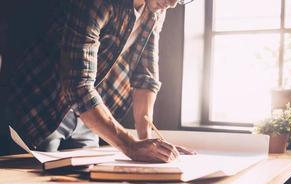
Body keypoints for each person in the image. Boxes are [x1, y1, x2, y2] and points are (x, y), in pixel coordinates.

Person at [4, 0, 191, 162]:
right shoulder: (97, 2)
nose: (173, 3)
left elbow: (146, 78)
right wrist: (131, 146)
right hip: (43, 109)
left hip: (90, 114)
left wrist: (148, 143)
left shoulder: (155, 10)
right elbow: (78, 86)